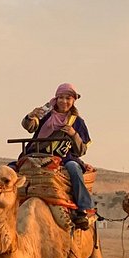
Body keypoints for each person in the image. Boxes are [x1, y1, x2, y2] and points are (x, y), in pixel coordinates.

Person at [21, 83, 95, 229]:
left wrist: (73, 134)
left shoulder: (77, 123)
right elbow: (30, 127)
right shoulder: (45, 115)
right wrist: (31, 116)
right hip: (36, 154)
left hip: (64, 158)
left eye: (68, 98)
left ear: (73, 100)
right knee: (10, 169)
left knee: (74, 168)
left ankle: (83, 209)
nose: (64, 101)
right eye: (61, 97)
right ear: (56, 99)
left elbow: (82, 150)